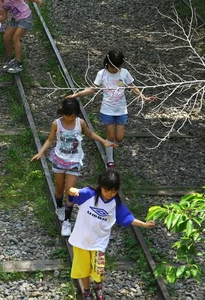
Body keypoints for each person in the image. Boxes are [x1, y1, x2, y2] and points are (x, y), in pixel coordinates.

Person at [31, 98, 117, 236]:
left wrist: (104, 142)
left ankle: (67, 221)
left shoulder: (80, 123)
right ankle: (59, 207)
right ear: (63, 113)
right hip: (59, 160)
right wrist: (40, 152)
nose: (70, 118)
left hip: (74, 161)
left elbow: (89, 134)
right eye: (68, 115)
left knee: (70, 191)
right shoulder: (56, 124)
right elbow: (50, 139)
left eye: (73, 115)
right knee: (59, 189)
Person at [68, 170, 155, 299]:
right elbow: (72, 193)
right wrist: (72, 190)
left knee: (99, 269)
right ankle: (86, 291)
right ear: (101, 186)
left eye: (113, 191)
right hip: (81, 241)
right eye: (107, 190)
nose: (110, 194)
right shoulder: (88, 194)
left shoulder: (115, 203)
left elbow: (126, 217)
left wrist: (144, 224)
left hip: (98, 243)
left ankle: (98, 285)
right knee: (83, 269)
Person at [67, 50, 155, 169]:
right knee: (110, 136)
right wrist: (76, 95)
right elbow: (92, 89)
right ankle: (110, 160)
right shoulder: (102, 74)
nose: (116, 70)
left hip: (121, 111)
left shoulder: (124, 73)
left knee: (119, 137)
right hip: (107, 110)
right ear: (107, 63)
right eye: (114, 67)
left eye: (118, 67)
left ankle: (112, 148)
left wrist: (143, 97)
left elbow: (132, 86)